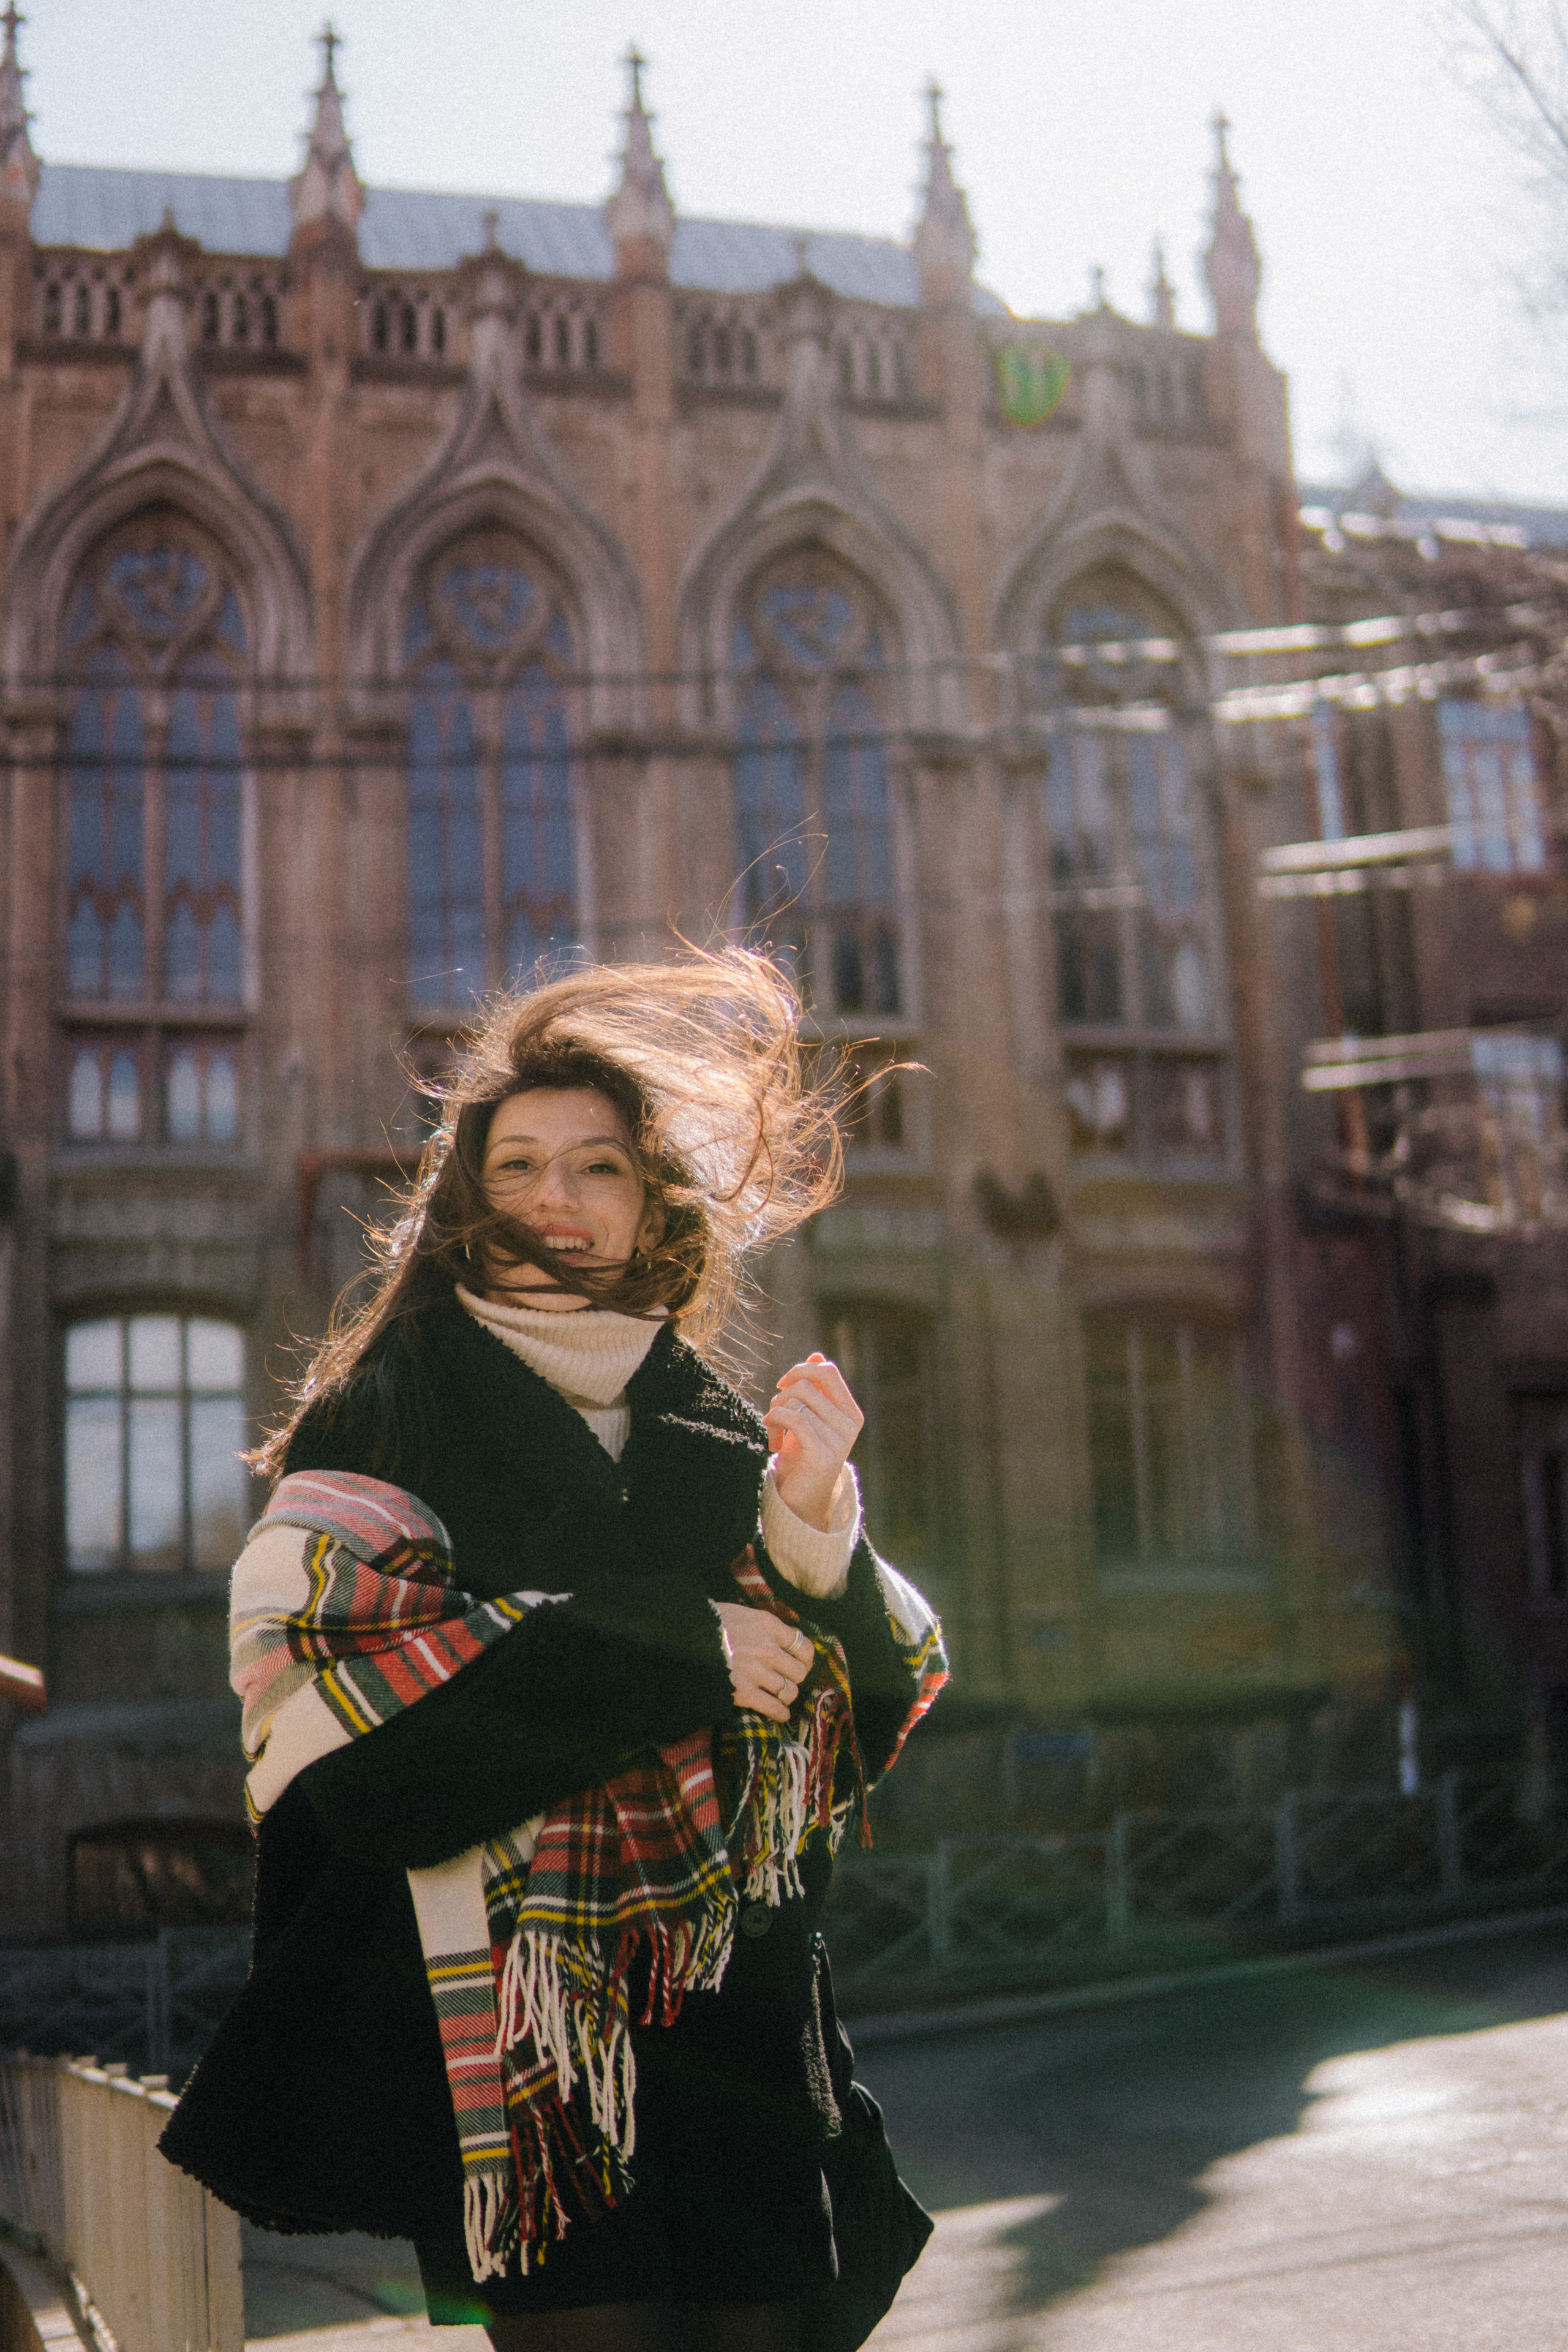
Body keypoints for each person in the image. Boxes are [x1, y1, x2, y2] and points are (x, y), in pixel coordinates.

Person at [160, 950, 946, 2352]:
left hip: (742, 2029)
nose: (553, 1203)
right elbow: (357, 1755)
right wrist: (672, 1647)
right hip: (524, 2056)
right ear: (464, 1196)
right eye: (516, 1165)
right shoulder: (386, 1410)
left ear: (651, 1200)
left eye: (596, 1168)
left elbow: (840, 1749)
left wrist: (817, 1526)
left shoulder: (706, 1410)